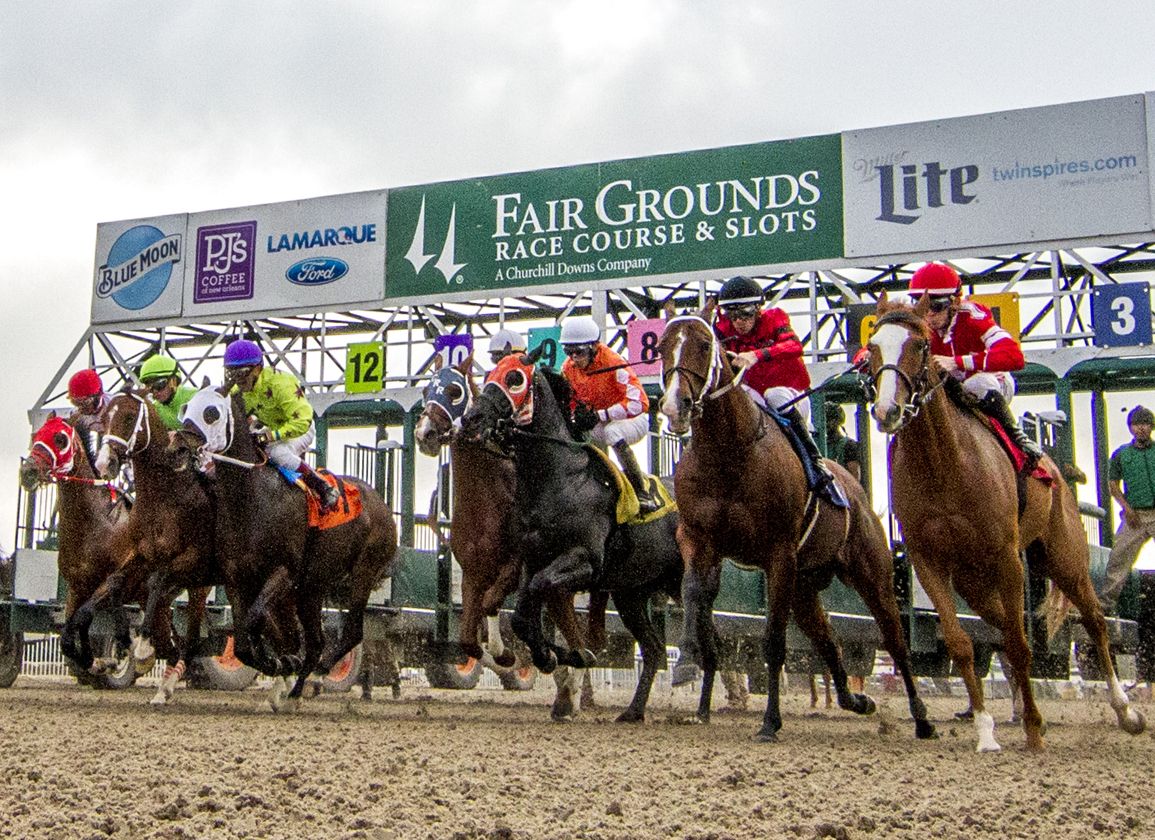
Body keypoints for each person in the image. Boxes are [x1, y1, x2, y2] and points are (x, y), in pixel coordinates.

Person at [909, 262, 1043, 469]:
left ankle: (1017, 437)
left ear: (954, 302)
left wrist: (958, 362)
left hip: (992, 385)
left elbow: (1014, 356)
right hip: (948, 390)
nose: (928, 315)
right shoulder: (915, 324)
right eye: (920, 305)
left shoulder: (973, 317)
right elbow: (871, 348)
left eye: (935, 306)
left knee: (979, 383)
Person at [713, 275, 838, 496]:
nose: (739, 321)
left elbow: (794, 346)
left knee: (775, 395)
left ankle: (814, 460)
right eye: (732, 315)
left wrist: (757, 355)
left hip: (791, 394)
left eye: (745, 314)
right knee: (735, 396)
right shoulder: (722, 330)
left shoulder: (775, 319)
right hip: (755, 397)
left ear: (758, 309)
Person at [222, 339, 339, 512]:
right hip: (267, 427)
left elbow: (303, 421)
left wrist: (270, 436)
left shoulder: (280, 384)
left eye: (242, 373)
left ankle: (322, 486)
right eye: (231, 374)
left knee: (278, 452)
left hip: (299, 429)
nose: (238, 380)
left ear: (257, 368)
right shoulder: (237, 391)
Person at [559, 315, 660, 513]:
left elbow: (640, 403)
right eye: (568, 352)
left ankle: (641, 491)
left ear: (594, 347)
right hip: (602, 422)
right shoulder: (568, 368)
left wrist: (600, 415)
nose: (574, 359)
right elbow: (571, 402)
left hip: (633, 421)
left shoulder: (615, 362)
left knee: (612, 432)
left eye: (578, 352)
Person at [1099, 405, 1155, 614]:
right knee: (1118, 560)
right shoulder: (1122, 454)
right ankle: (1104, 606)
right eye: (1137, 424)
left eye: (1146, 424)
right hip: (1135, 516)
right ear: (1131, 427)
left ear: (1151, 427)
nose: (1141, 428)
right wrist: (1127, 509)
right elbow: (1113, 485)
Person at [139, 353, 196, 431]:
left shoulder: (195, 397)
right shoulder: (154, 410)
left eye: (159, 385)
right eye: (150, 389)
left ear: (173, 381)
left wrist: (178, 435)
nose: (155, 392)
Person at [823, 403, 861, 483]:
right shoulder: (818, 444)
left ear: (838, 421)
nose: (826, 424)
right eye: (825, 420)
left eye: (830, 419)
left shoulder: (848, 445)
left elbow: (854, 477)